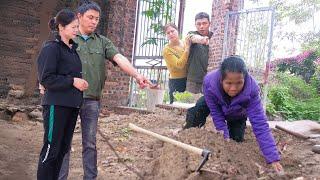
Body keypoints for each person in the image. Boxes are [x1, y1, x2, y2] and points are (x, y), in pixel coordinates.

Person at [58, 1, 151, 180]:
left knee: (90, 143)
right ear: (79, 17)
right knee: (64, 143)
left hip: (91, 100)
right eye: (90, 17)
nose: (94, 22)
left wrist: (137, 75)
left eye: (97, 19)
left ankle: (90, 177)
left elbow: (119, 58)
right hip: (67, 98)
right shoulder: (68, 38)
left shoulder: (102, 42)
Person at [203, 56, 283, 173]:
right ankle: (188, 133)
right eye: (229, 83)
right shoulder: (209, 82)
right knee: (198, 109)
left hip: (237, 114)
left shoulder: (252, 90)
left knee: (236, 140)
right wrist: (223, 134)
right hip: (219, 105)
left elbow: (260, 124)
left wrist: (273, 158)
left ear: (244, 79)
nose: (233, 88)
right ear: (221, 80)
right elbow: (216, 113)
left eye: (239, 83)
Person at [37, 9, 88, 180]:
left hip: (71, 106)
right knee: (51, 149)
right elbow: (46, 79)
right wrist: (72, 81)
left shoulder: (72, 50)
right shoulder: (51, 48)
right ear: (61, 27)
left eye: (77, 27)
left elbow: (68, 76)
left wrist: (79, 83)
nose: (76, 30)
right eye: (73, 27)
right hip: (56, 105)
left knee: (62, 149)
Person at [162, 23, 191, 104]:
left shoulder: (184, 43)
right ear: (166, 35)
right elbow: (179, 65)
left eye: (172, 31)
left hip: (189, 79)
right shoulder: (167, 50)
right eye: (168, 33)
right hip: (176, 82)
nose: (171, 34)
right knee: (175, 107)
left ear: (177, 31)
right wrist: (187, 49)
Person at [186, 12, 213, 94]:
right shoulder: (192, 34)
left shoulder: (214, 37)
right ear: (195, 25)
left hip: (211, 81)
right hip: (193, 81)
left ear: (209, 24)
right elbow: (192, 38)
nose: (201, 26)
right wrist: (202, 40)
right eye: (199, 24)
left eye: (204, 23)